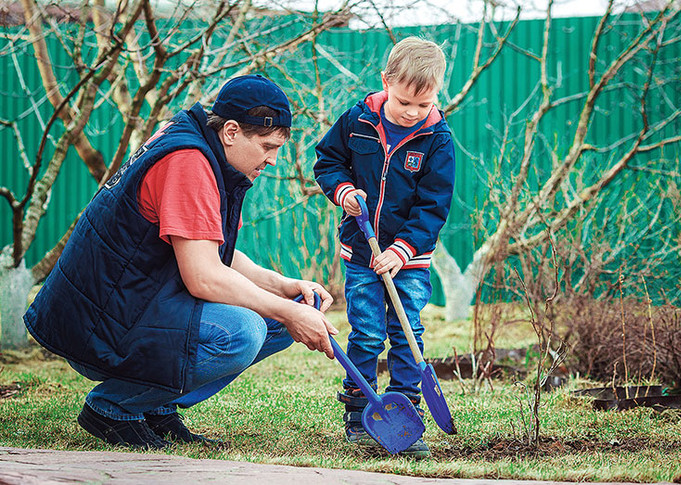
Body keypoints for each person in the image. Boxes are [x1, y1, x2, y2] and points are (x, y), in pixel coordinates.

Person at [23, 74, 338, 450]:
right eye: (267, 147)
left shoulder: (203, 149)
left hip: (132, 302)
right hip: (101, 321)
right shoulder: (188, 163)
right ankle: (114, 406)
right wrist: (288, 312)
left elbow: (209, 248)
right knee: (244, 332)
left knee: (282, 316)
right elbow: (204, 277)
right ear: (232, 132)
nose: (272, 159)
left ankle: (155, 404)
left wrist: (285, 289)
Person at [314, 37, 456, 459]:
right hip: (361, 251)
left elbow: (434, 206)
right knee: (368, 333)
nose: (413, 112)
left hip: (409, 260)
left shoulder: (437, 140)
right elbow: (327, 161)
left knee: (408, 333)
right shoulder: (356, 121)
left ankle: (406, 409)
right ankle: (360, 415)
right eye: (404, 102)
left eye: (423, 103)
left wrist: (401, 250)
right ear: (386, 82)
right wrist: (342, 191)